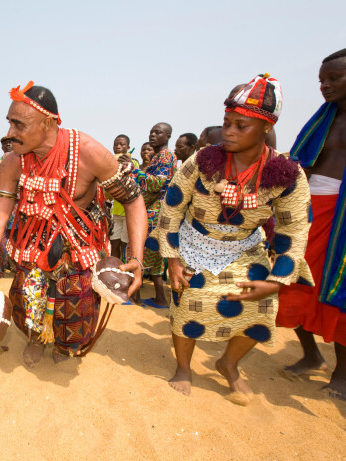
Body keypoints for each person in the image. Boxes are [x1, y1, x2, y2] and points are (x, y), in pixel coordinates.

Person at [152, 74, 311, 405]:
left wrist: (279, 279)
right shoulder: (203, 160)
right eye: (227, 123)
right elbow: (172, 206)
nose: (229, 131)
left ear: (266, 128)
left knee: (262, 308)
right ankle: (183, 368)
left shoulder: (286, 173)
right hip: (194, 241)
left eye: (241, 126)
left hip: (245, 247)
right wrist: (174, 259)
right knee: (188, 304)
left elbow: (294, 229)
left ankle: (229, 364)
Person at [0, 81, 147, 366]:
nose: (10, 133)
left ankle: (64, 346)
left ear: (48, 123)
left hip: (79, 247)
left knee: (74, 310)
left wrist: (136, 257)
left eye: (19, 125)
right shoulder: (13, 162)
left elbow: (134, 200)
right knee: (28, 301)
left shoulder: (87, 151)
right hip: (31, 246)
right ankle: (35, 339)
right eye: (9, 123)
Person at [276, 49, 346, 400]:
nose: (325, 86)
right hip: (306, 209)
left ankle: (342, 374)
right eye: (322, 79)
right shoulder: (322, 120)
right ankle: (310, 354)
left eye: (334, 78)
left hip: (341, 214)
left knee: (337, 291)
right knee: (292, 281)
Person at [131, 122, 177, 307]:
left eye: (158, 132)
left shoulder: (165, 156)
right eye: (151, 132)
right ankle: (160, 298)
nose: (153, 135)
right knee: (154, 255)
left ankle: (135, 297)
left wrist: (133, 172)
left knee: (136, 251)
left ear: (167, 137)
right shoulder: (161, 156)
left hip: (153, 211)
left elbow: (157, 183)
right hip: (158, 209)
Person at [110, 134, 139, 260]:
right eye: (116, 144)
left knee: (125, 244)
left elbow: (136, 181)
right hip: (115, 211)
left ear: (128, 147)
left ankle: (125, 271)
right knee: (114, 242)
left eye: (121, 144)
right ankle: (114, 268)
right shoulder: (110, 162)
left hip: (128, 211)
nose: (118, 147)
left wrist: (128, 166)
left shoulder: (133, 163)